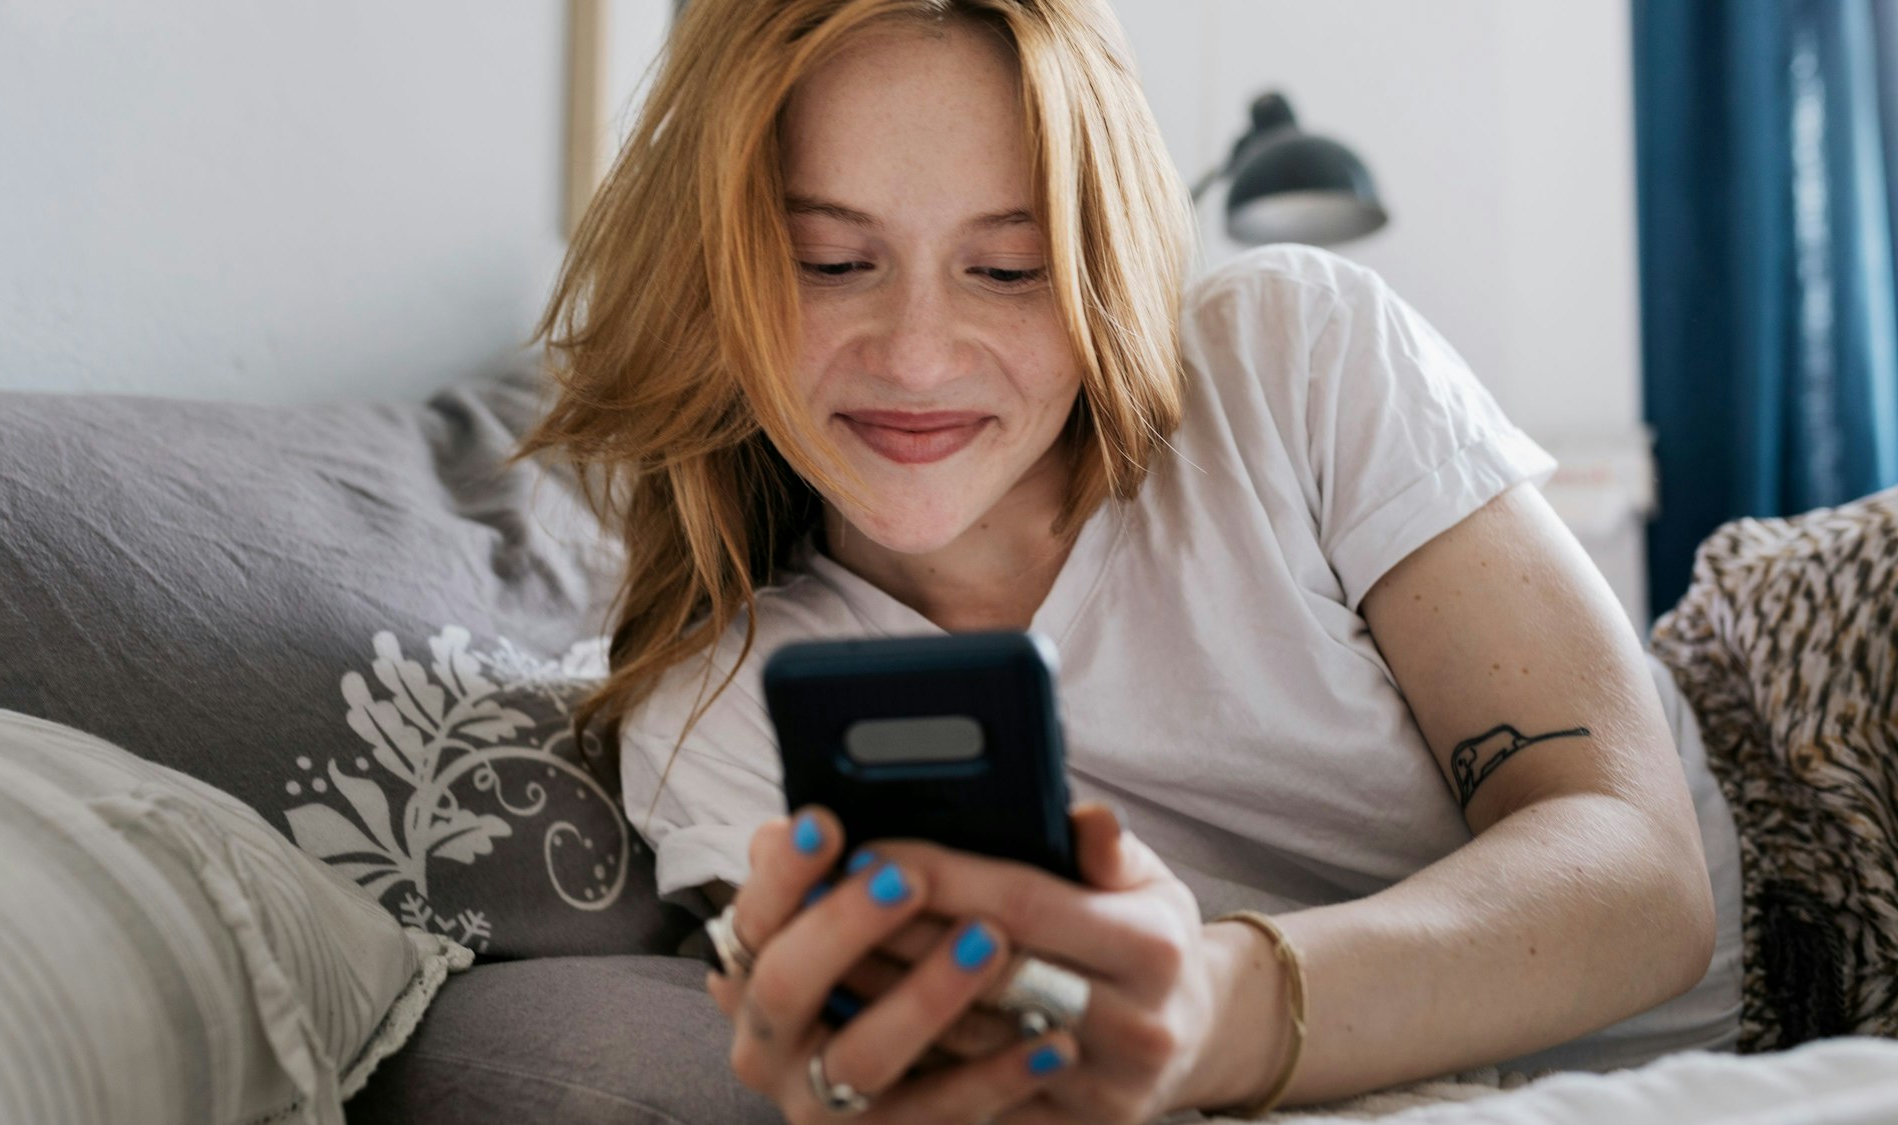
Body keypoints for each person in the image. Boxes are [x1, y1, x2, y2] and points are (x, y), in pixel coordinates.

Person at [519, 0, 1746, 1120]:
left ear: (1100, 256)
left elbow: (1643, 879)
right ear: (715, 270)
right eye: (830, 263)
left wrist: (1215, 1009)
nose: (918, 357)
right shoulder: (721, 710)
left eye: (1007, 269)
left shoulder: (1292, 357)